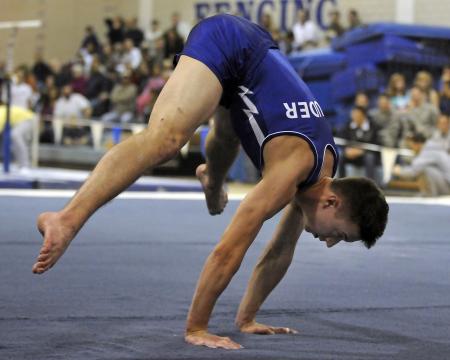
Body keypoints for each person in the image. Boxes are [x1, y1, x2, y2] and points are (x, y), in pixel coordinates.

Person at [32, 15, 388, 350]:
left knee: (230, 134)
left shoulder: (319, 175)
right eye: (339, 235)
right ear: (332, 202)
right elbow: (230, 248)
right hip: (229, 41)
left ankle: (213, 176)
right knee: (167, 140)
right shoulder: (293, 171)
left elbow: (280, 251)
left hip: (254, 73)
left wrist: (246, 319)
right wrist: (197, 327)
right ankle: (66, 219)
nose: (328, 243)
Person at [0, 103, 35, 171]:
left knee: (14, 135)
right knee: (10, 138)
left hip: (28, 119)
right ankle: (20, 164)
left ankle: (25, 165)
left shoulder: (0, 114)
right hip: (19, 121)